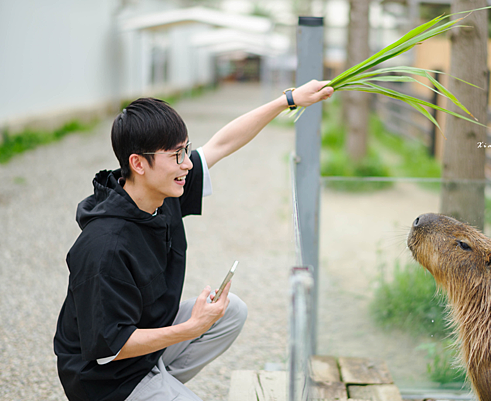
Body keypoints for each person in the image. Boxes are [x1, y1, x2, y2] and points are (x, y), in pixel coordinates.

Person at [53, 80, 334, 401]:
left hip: (144, 353)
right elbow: (109, 348)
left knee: (231, 312)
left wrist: (289, 100)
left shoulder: (162, 192)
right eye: (176, 155)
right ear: (138, 163)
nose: (187, 163)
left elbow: (222, 144)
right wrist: (191, 328)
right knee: (202, 324)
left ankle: (159, 387)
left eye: (185, 150)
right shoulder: (104, 246)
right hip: (106, 379)